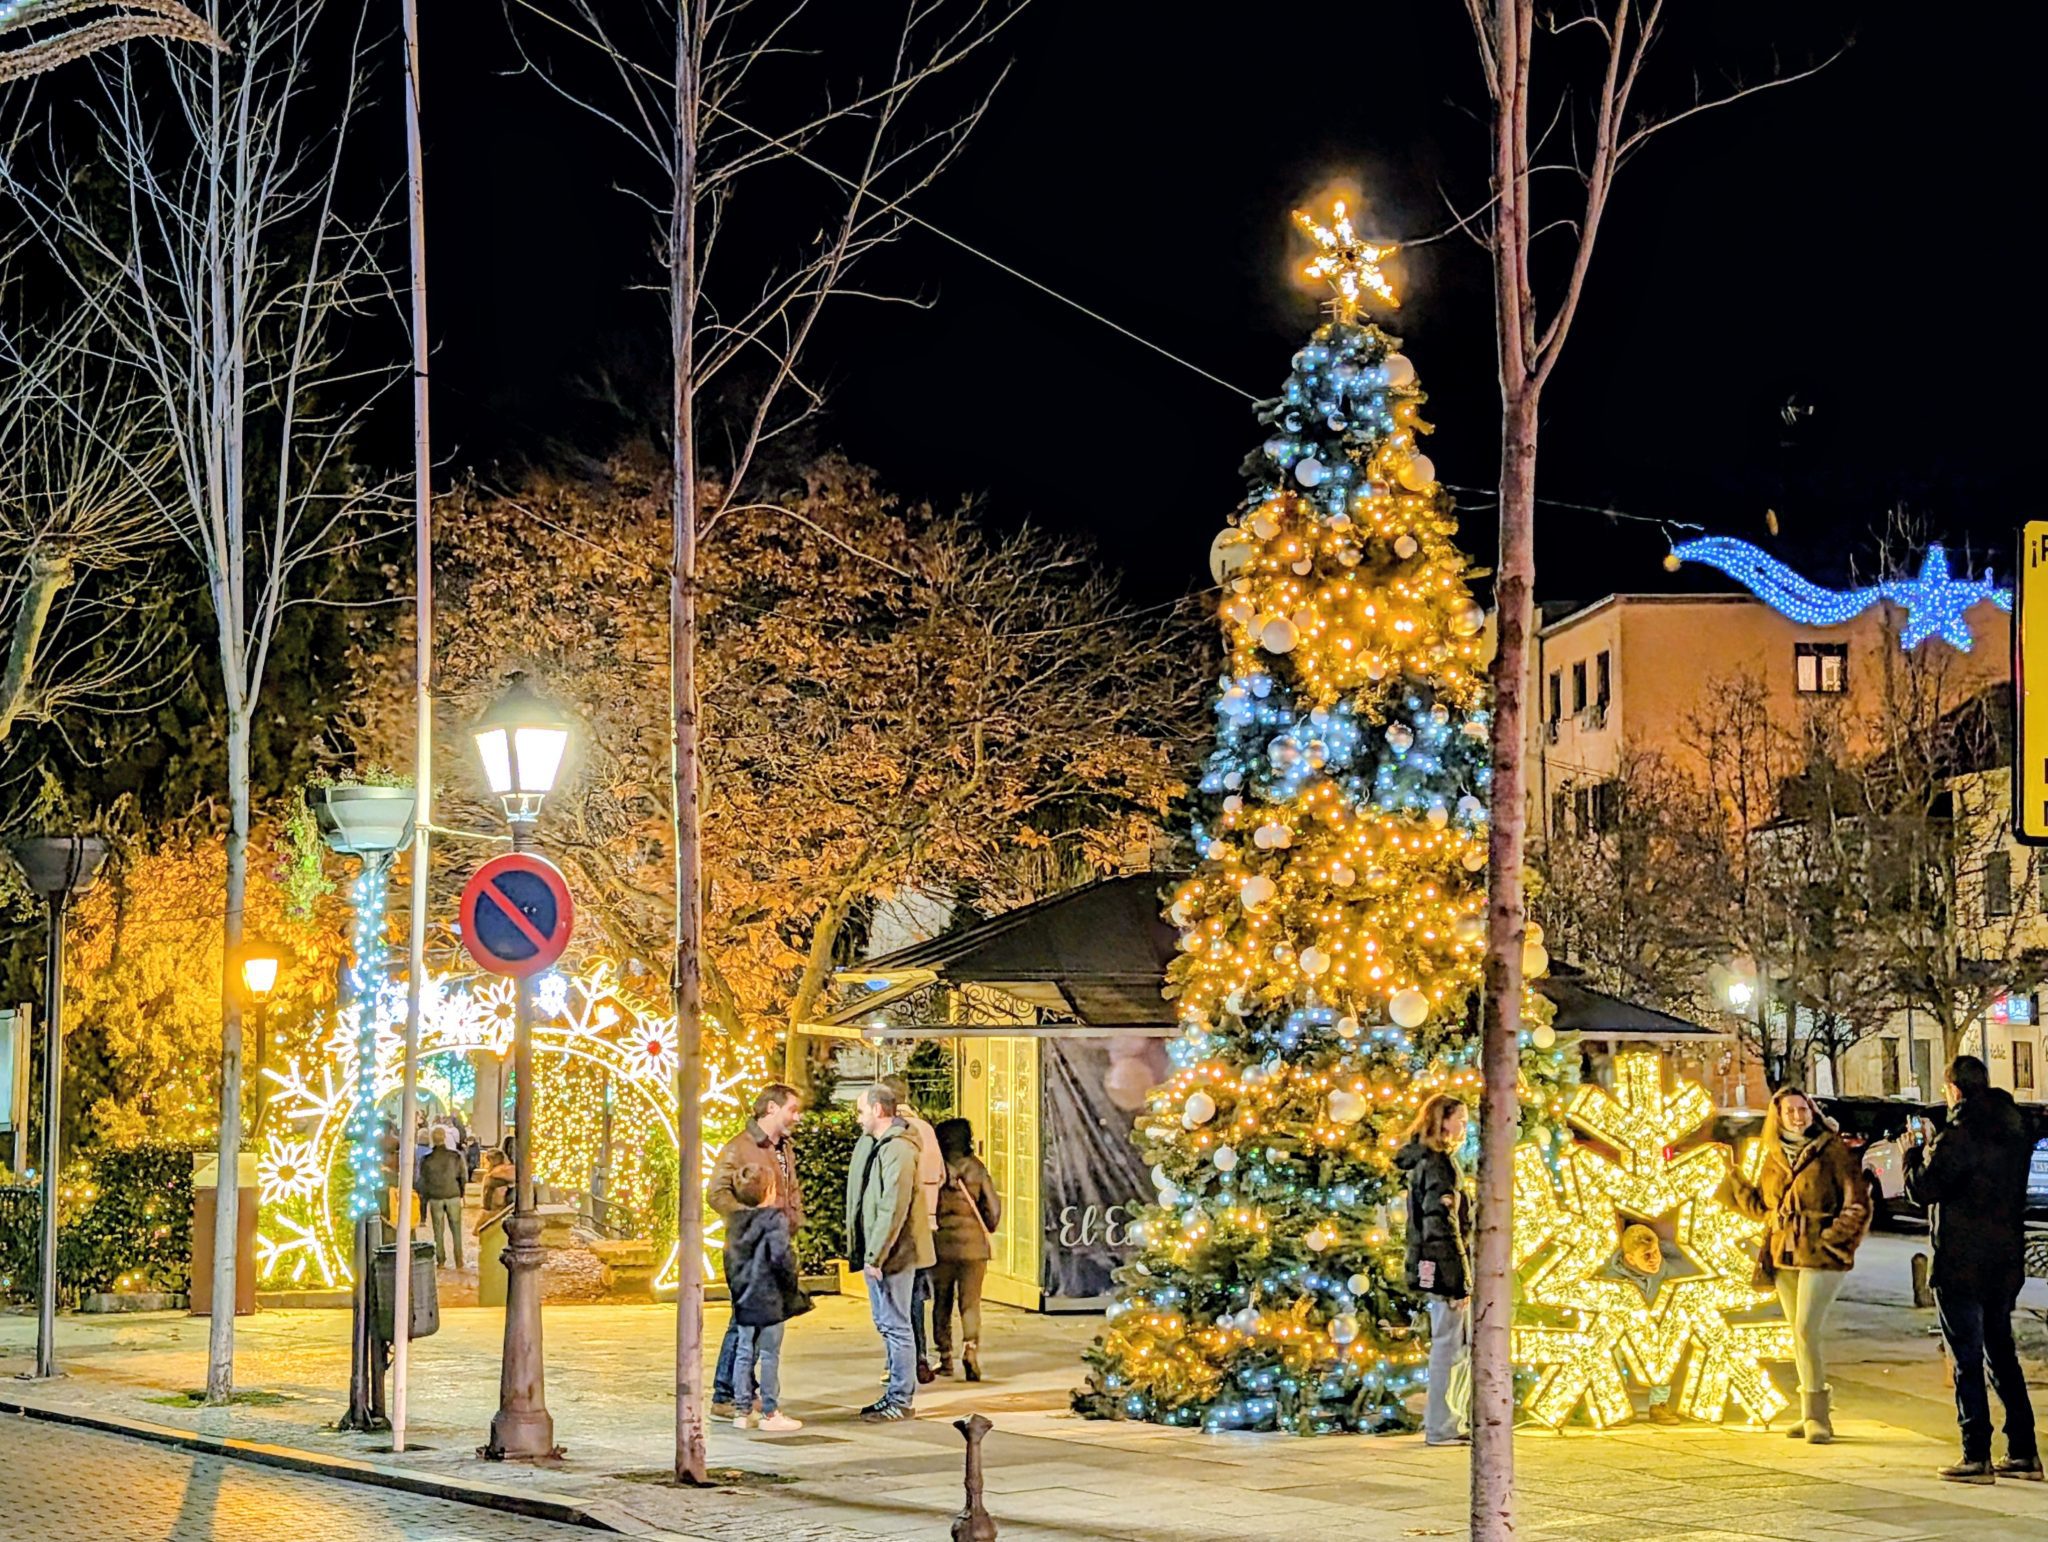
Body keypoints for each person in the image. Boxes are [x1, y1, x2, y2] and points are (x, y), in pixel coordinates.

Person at [1905, 1054, 2041, 1483]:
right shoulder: (2015, 1130)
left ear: (1954, 1089)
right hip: (2003, 1261)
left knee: (1966, 1356)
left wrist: (1914, 1153)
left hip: (1961, 1261)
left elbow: (1924, 1190)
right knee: (2002, 1353)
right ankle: (2023, 1450)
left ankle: (1975, 1453)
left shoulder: (1957, 1135)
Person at [1723, 1086, 1867, 1443]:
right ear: (1778, 1116)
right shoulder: (1773, 1156)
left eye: (1803, 1110)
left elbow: (1858, 1204)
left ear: (1812, 1112)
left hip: (1820, 1252)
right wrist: (1734, 1181)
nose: (1797, 1117)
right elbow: (1763, 1208)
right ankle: (1809, 1414)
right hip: (1783, 1251)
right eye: (1790, 1111)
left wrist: (1831, 1239)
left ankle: (1818, 1416)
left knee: (1806, 1328)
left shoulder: (1832, 1150)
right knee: (1798, 1335)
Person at [707, 1084, 805, 1419]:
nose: (797, 1116)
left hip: (774, 1240)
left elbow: (791, 1189)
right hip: (749, 1246)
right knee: (744, 1320)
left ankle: (737, 1393)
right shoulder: (739, 1147)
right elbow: (716, 1192)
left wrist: (794, 1219)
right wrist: (752, 1219)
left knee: (756, 1319)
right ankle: (727, 1393)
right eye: (792, 1109)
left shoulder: (784, 1147)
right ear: (772, 1108)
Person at [845, 1083, 934, 1423]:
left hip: (894, 1254)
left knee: (896, 1325)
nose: (858, 1118)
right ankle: (895, 1395)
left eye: (861, 1111)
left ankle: (901, 1397)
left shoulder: (897, 1150)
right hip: (883, 1251)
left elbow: (891, 1207)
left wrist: (875, 1256)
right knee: (888, 1323)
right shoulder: (878, 1145)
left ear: (878, 1111)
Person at [1395, 1093, 1471, 1447]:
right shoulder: (1439, 1165)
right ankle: (1443, 1424)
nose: (1465, 1126)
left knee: (1448, 1344)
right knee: (1450, 1347)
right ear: (1442, 1122)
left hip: (1432, 1265)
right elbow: (1441, 1226)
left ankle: (1446, 1422)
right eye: (1461, 1119)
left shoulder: (1425, 1162)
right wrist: (1458, 1282)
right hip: (1444, 1268)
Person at [722, 1163, 807, 1433]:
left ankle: (742, 1410)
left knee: (744, 1352)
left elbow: (729, 1261)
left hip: (744, 1296)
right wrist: (791, 1287)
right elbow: (781, 1259)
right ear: (769, 1191)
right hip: (770, 1296)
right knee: (770, 1353)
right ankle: (771, 1411)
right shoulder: (774, 1221)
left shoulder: (734, 1223)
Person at [881, 1074, 945, 1385]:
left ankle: (901, 1361)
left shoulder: (892, 1134)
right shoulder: (927, 1130)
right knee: (916, 1294)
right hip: (927, 1222)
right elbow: (940, 1175)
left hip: (901, 1225)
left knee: (895, 1299)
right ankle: (920, 1354)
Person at [931, 1117, 1001, 1381]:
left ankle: (944, 1357)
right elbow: (993, 1209)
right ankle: (970, 1349)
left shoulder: (936, 1169)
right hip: (973, 1248)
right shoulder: (976, 1169)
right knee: (970, 1303)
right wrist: (988, 1226)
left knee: (942, 1302)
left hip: (942, 1246)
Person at [419, 1126, 469, 1269]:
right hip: (453, 1194)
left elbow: (423, 1180)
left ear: (432, 1140)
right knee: (456, 1229)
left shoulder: (426, 1159)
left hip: (435, 1197)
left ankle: (441, 1260)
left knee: (438, 1230)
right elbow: (463, 1176)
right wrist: (461, 1192)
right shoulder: (455, 1156)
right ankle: (459, 1260)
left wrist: (426, 1197)